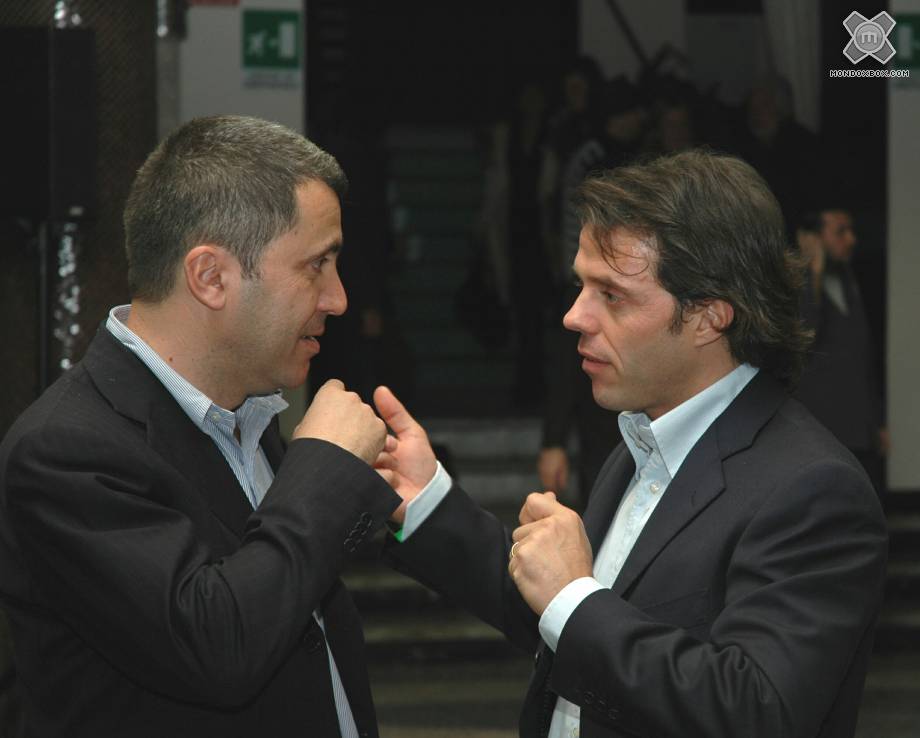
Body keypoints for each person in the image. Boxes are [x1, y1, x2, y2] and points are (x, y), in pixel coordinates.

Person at [373, 150, 888, 737]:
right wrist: (427, 502)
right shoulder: (643, 442)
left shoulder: (813, 488)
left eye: (611, 295)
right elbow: (571, 618)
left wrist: (574, 597)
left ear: (709, 317)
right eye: (581, 286)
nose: (574, 316)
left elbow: (753, 711)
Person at [0, 115, 401, 737]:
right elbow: (218, 647)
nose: (338, 298)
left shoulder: (246, 414)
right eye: (315, 265)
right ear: (211, 277)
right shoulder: (64, 449)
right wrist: (321, 470)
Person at [795, 207, 888, 496]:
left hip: (858, 427)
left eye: (851, 231)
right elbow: (803, 335)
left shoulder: (850, 279)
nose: (851, 240)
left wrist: (878, 422)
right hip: (820, 426)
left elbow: (864, 357)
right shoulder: (795, 282)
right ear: (813, 237)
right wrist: (813, 271)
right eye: (840, 232)